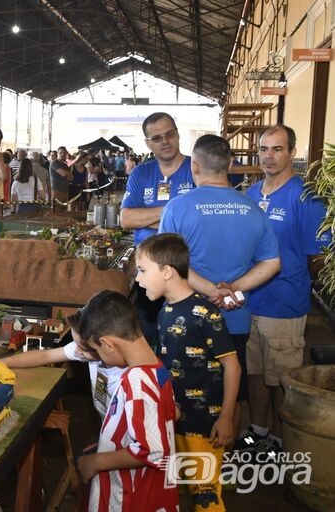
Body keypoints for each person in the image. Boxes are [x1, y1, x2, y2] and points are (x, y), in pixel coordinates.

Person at [159, 134, 281, 434]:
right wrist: (233, 289)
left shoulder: (177, 208)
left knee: (180, 392)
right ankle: (226, 457)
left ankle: (180, 462)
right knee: (231, 391)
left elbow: (166, 263)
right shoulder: (253, 208)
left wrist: (211, 289)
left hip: (183, 319)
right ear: (229, 164)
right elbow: (272, 262)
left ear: (195, 166)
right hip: (233, 316)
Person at [238, 125, 331, 453]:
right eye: (264, 149)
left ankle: (278, 439)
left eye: (277, 149)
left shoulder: (306, 197)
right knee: (255, 375)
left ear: (292, 152)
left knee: (282, 378)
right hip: (249, 303)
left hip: (285, 305)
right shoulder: (250, 195)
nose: (269, 156)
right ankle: (258, 430)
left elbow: (317, 257)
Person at [136, 233, 240, 511]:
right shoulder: (165, 310)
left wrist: (227, 417)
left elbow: (232, 365)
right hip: (174, 418)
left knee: (206, 496)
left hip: (204, 425)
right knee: (177, 488)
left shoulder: (205, 313)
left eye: (143, 270)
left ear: (167, 272)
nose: (138, 279)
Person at [72, 291, 178, 512]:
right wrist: (107, 444)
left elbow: (151, 450)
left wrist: (97, 461)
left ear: (108, 344)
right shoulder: (157, 368)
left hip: (129, 497)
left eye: (98, 350)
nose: (100, 357)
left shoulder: (136, 381)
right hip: (149, 491)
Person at [121, 112, 194, 345]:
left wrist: (148, 217)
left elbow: (198, 221)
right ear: (148, 143)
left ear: (177, 134)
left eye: (169, 134)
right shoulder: (141, 173)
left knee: (184, 340)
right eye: (157, 137)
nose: (165, 141)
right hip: (148, 274)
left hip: (189, 272)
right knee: (147, 337)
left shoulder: (197, 168)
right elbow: (126, 219)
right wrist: (173, 212)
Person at [0, 310, 125, 423]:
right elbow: (46, 356)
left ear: (105, 344)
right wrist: (6, 362)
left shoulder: (126, 379)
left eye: (82, 347)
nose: (77, 351)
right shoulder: (89, 351)